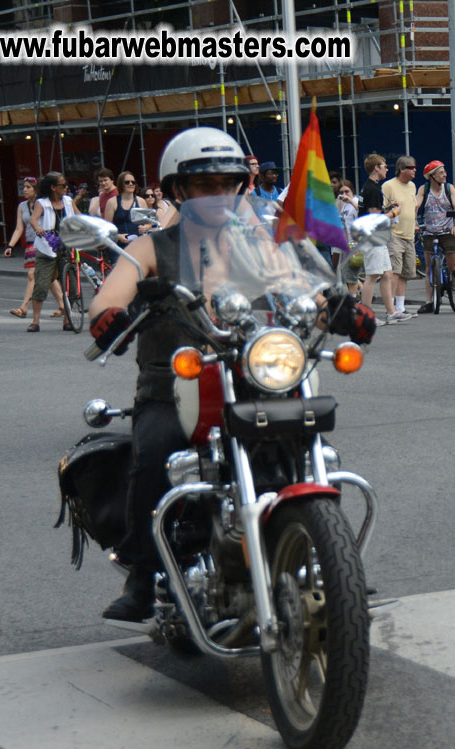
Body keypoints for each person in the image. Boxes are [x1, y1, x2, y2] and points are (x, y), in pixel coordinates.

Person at [86, 127, 373, 621]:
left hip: (249, 369)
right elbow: (109, 295)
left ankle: (330, 563)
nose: (218, 193)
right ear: (178, 189)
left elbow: (298, 287)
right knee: (154, 449)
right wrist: (110, 314)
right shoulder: (155, 247)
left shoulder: (257, 243)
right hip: (176, 381)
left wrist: (338, 310)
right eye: (204, 184)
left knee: (310, 446)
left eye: (227, 182)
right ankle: (142, 570)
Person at [5, 176, 68, 320]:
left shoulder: (44, 203)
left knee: (33, 274)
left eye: (28, 187)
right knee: (48, 278)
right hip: (30, 244)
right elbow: (19, 228)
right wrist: (10, 245)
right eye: (24, 187)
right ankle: (63, 305)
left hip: (46, 242)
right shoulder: (22, 206)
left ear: (36, 189)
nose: (25, 190)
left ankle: (24, 308)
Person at [27, 171, 79, 333]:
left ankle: (67, 320)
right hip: (47, 247)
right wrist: (38, 228)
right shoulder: (42, 203)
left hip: (67, 246)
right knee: (41, 284)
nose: (66, 188)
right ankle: (35, 321)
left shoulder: (69, 201)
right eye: (63, 185)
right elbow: (33, 219)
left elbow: (79, 216)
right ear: (53, 188)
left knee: (70, 285)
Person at [415, 160, 455, 313]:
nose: (445, 175)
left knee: (454, 268)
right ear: (432, 176)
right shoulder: (424, 189)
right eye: (441, 173)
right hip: (429, 232)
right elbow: (416, 206)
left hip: (448, 232)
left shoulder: (449, 188)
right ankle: (429, 301)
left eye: (444, 172)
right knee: (430, 267)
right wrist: (415, 223)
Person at [359, 154, 403, 322]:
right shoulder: (373, 189)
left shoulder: (369, 188)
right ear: (376, 168)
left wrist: (386, 208)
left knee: (387, 273)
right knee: (372, 275)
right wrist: (394, 213)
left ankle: (391, 312)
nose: (387, 169)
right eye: (384, 166)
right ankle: (366, 316)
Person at [382, 155, 419, 317]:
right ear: (402, 169)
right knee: (394, 272)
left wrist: (415, 222)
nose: (414, 170)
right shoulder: (388, 186)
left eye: (414, 167)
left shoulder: (412, 186)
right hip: (394, 234)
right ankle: (390, 308)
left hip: (409, 234)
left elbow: (412, 208)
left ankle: (400, 307)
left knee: (406, 272)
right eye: (411, 168)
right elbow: (383, 209)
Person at [104, 170, 144, 245]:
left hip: (138, 244)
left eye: (133, 182)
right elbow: (107, 228)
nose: (131, 184)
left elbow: (149, 222)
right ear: (121, 184)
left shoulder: (141, 201)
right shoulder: (112, 202)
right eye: (127, 182)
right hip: (120, 246)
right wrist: (118, 236)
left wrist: (145, 228)